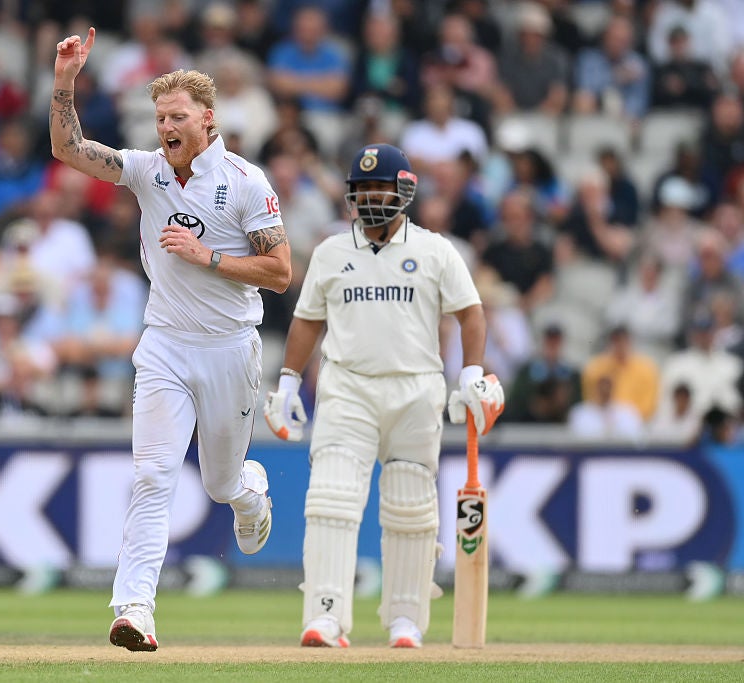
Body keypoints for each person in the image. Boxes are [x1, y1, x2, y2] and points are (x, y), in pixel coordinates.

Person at [50, 28, 292, 652]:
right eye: (160, 117)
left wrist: (207, 256)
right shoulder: (146, 171)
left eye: (178, 116)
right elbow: (68, 149)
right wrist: (66, 80)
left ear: (208, 120)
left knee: (218, 484)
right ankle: (135, 607)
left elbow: (280, 272)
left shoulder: (243, 180)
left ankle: (250, 494)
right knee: (153, 474)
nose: (166, 127)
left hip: (230, 347)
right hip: (164, 344)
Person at [262, 143, 504, 649]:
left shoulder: (436, 250)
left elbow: (471, 312)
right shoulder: (331, 251)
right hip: (347, 388)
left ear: (404, 191)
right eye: (364, 188)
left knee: (410, 510)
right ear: (351, 194)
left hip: (416, 389)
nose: (373, 196)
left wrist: (473, 372)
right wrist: (286, 380)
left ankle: (406, 619)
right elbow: (308, 320)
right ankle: (326, 616)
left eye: (382, 186)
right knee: (330, 500)